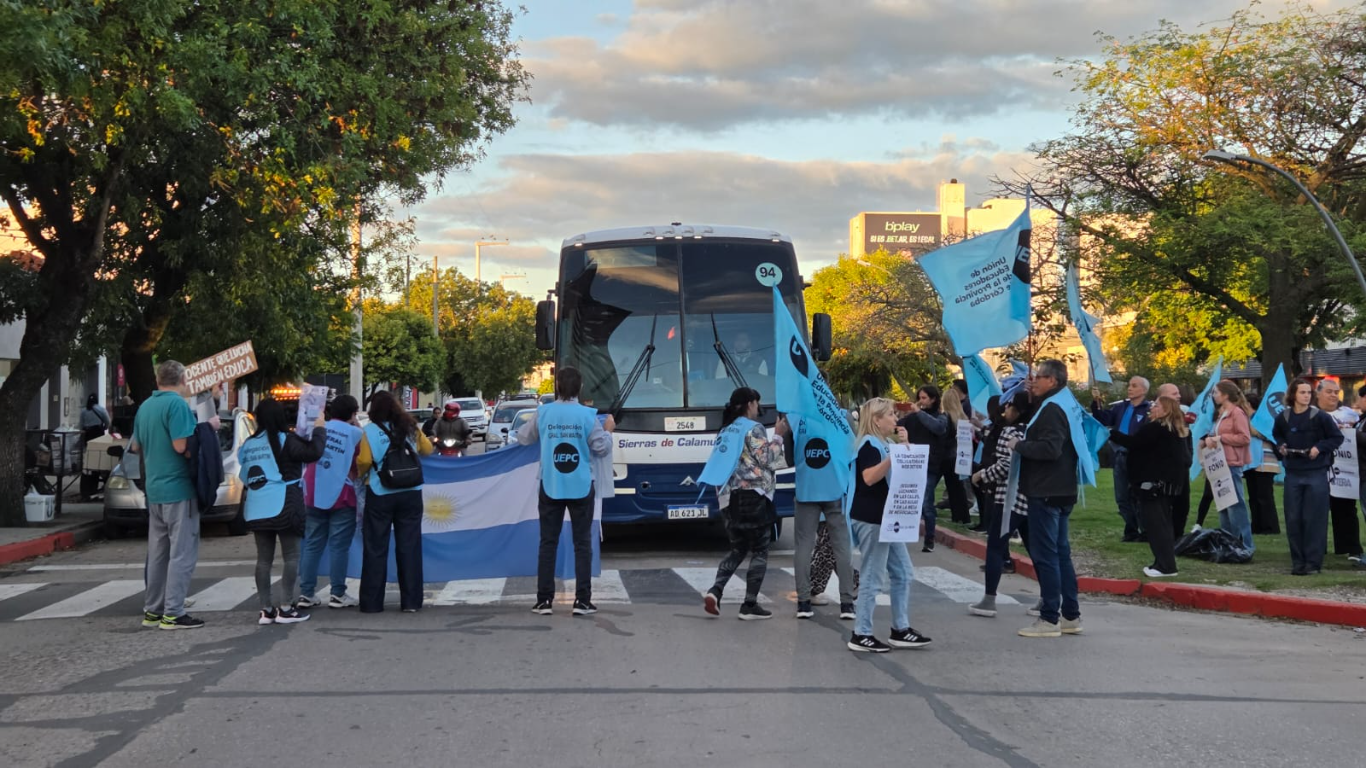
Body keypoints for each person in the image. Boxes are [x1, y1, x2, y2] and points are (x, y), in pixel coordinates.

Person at [515, 367, 614, 616]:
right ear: (580, 388)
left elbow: (523, 438)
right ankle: (582, 601)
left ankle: (544, 601)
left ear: (557, 386)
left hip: (551, 484)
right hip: (581, 485)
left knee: (548, 543)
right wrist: (609, 430)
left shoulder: (543, 412)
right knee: (582, 544)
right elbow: (601, 448)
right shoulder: (587, 415)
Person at [845, 397, 932, 652]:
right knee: (872, 577)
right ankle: (861, 633)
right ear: (876, 419)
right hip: (871, 518)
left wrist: (904, 448)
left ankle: (900, 629)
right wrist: (894, 457)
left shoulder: (886, 444)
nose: (896, 418)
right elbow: (869, 477)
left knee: (903, 572)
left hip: (888, 518)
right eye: (891, 414)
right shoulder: (868, 445)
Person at [1011, 359, 1084, 638]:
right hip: (1062, 488)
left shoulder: (1053, 408)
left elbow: (1050, 448)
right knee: (1061, 553)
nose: (1034, 380)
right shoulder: (1062, 403)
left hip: (1046, 490)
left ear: (1052, 380)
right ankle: (1070, 615)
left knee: (1047, 555)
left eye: (1039, 376)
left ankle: (1049, 617)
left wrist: (1019, 445)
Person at [701, 387, 788, 620]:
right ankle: (749, 604)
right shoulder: (754, 428)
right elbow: (767, 459)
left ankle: (715, 591)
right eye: (757, 403)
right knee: (760, 549)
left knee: (737, 548)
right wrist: (778, 436)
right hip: (753, 496)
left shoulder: (726, 429)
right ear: (750, 404)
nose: (759, 408)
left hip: (728, 498)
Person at [130, 361, 204, 630]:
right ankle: (174, 612)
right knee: (182, 553)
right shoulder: (177, 405)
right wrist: (206, 432)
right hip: (179, 488)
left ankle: (153, 610)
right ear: (183, 379)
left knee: (158, 554)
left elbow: (135, 446)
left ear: (158, 379)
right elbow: (181, 445)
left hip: (154, 488)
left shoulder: (145, 407)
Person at [239, 399, 326, 625]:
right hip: (286, 503)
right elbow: (314, 452)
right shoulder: (287, 439)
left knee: (263, 560)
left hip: (257, 506)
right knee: (291, 556)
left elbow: (245, 475)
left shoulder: (249, 444)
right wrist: (319, 429)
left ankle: (266, 610)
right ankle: (286, 607)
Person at [356, 391, 434, 612]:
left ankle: (372, 603)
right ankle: (411, 602)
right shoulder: (410, 427)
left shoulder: (370, 431)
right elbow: (427, 449)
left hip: (380, 492)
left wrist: (361, 473)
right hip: (411, 493)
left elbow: (363, 461)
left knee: (375, 547)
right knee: (409, 547)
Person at [1108, 395, 1192, 577]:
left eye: (1156, 405)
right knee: (1163, 524)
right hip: (1170, 485)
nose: (1152, 408)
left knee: (1156, 526)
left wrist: (1111, 433)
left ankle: (1166, 566)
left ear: (1165, 410)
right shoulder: (1177, 430)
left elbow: (1133, 443)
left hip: (1154, 485)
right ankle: (1161, 562)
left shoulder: (1156, 428)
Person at [297, 395, 364, 610]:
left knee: (312, 544)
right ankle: (337, 593)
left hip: (312, 491)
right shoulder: (355, 433)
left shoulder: (318, 429)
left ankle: (306, 593)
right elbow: (359, 462)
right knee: (338, 547)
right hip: (342, 494)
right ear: (353, 413)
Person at [969, 391, 1032, 617]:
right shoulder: (1034, 430)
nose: (1005, 410)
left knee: (996, 547)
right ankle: (1047, 599)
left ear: (1017, 410)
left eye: (1009, 406)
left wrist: (982, 475)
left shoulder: (1009, 431)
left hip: (1007, 497)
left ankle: (989, 599)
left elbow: (1006, 464)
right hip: (1030, 496)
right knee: (1035, 548)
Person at [1273, 377, 1344, 576]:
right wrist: (1281, 446)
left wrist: (1319, 448)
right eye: (1302, 392)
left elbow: (1336, 437)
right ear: (1293, 395)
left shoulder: (1320, 417)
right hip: (1293, 473)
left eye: (1308, 393)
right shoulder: (1283, 417)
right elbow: (1277, 435)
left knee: (1314, 518)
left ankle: (1313, 563)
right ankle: (1298, 561)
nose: (1306, 396)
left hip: (1316, 472)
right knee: (1293, 518)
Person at [791, 414, 856, 620]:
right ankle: (847, 604)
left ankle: (803, 603)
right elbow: (852, 451)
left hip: (807, 489)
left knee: (803, 545)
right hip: (836, 487)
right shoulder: (843, 416)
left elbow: (789, 457)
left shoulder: (797, 418)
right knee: (842, 546)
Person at [1090, 376, 1153, 542]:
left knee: (1138, 494)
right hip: (1119, 454)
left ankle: (1146, 530)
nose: (1130, 388)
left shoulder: (1148, 410)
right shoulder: (1120, 407)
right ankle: (1131, 530)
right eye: (1129, 385)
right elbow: (1103, 418)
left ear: (1144, 390)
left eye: (1134, 386)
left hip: (1137, 457)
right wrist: (1096, 402)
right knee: (1122, 496)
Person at [1203, 381, 1255, 551]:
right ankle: (1227, 542)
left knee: (1236, 505)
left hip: (1232, 463)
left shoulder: (1237, 413)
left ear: (1225, 395)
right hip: (1219, 463)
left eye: (1216, 392)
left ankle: (1244, 544)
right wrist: (1210, 439)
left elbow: (1244, 438)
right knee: (1224, 505)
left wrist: (1221, 438)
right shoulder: (1222, 413)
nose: (1214, 396)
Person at [898, 385, 948, 553]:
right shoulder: (913, 417)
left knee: (927, 503)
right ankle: (903, 534)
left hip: (929, 465)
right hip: (911, 463)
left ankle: (929, 538)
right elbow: (897, 425)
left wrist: (919, 412)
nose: (921, 401)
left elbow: (938, 428)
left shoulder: (940, 417)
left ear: (933, 399)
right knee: (908, 501)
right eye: (919, 398)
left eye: (924, 398)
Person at [1315, 379, 1363, 557]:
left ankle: (1349, 548)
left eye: (1336, 392)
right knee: (1316, 511)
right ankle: (1316, 548)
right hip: (1318, 470)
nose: (1333, 395)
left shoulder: (1349, 414)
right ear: (1318, 393)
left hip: (1344, 472)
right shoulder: (1311, 414)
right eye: (1329, 392)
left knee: (1346, 510)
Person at [1245, 392, 1281, 536]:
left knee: (1264, 496)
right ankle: (1256, 525)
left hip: (1266, 461)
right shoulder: (1246, 419)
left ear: (1248, 404)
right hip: (1250, 461)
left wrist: (1256, 432)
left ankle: (1270, 526)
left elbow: (1271, 435)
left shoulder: (1262, 419)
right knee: (1253, 496)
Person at [940, 387, 974, 525]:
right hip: (960, 455)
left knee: (953, 488)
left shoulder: (946, 417)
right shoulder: (962, 417)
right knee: (958, 488)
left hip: (947, 456)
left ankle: (958, 516)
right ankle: (962, 516)